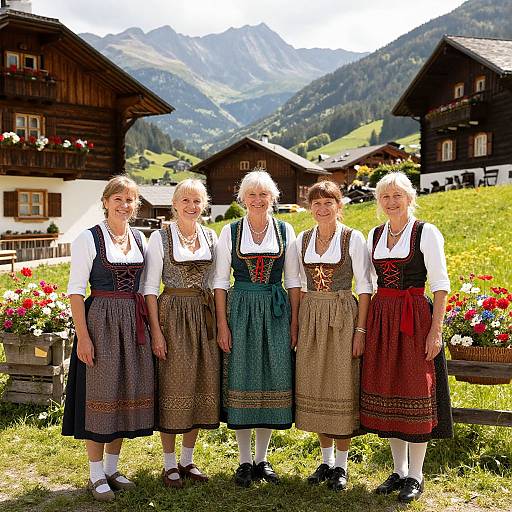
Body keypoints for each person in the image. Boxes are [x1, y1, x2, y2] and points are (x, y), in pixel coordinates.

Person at [360, 172, 453, 503]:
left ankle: (416, 474)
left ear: (410, 197)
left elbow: (441, 285)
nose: (391, 201)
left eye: (397, 195)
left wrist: (436, 330)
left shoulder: (425, 233)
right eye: (385, 196)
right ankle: (398, 470)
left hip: (414, 316)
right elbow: (367, 285)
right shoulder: (374, 234)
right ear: (379, 202)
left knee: (415, 391)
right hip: (383, 318)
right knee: (389, 390)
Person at [62, 175, 154, 502]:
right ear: (105, 202)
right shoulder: (88, 239)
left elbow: (146, 288)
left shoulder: (141, 238)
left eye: (130, 200)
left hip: (132, 322)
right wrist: (83, 337)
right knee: (99, 396)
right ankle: (95, 473)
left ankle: (113, 468)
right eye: (118, 199)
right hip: (100, 321)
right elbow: (75, 291)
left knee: (124, 394)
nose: (124, 205)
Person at [213, 170, 301, 487]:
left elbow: (293, 280)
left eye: (264, 194)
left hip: (275, 311)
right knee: (242, 376)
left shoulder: (285, 229)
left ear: (273, 198)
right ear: (242, 198)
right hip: (241, 311)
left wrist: (294, 321)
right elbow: (221, 282)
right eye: (252, 194)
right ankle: (243, 461)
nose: (258, 200)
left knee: (269, 378)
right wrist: (222, 324)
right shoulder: (230, 231)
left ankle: (262, 460)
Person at [294, 181, 372, 491]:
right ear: (310, 208)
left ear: (339, 206)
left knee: (341, 386)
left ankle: (341, 466)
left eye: (329, 202)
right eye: (317, 203)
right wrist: (295, 327)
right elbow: (297, 285)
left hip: (343, 316)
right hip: (311, 314)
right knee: (315, 385)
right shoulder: (301, 240)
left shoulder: (353, 238)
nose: (322, 208)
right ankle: (325, 462)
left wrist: (360, 330)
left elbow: (365, 286)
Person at [144, 179, 219, 488]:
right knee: (174, 385)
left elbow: (216, 281)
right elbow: (149, 289)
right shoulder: (159, 238)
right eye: (185, 201)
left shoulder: (212, 236)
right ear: (174, 204)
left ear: (204, 206)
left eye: (197, 201)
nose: (191, 206)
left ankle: (188, 459)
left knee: (201, 383)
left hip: (203, 315)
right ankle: (168, 463)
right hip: (172, 314)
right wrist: (157, 334)